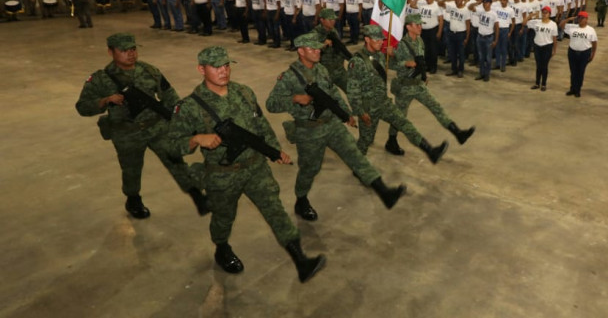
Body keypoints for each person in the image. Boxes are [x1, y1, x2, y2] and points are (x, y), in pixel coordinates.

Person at [166, 46, 326, 282]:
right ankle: (222, 248)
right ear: (201, 69)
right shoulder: (190, 106)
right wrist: (196, 139)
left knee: (275, 209)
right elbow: (171, 146)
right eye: (216, 67)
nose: (224, 71)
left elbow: (261, 126)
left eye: (227, 65)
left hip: (255, 167)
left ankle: (301, 260)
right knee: (223, 217)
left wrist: (274, 151)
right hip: (222, 174)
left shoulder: (244, 93)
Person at [266, 34, 406, 220]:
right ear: (300, 51)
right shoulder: (289, 77)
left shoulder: (322, 69)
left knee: (356, 156)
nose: (318, 51)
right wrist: (294, 98)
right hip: (309, 130)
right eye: (312, 49)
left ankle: (384, 191)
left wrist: (346, 113)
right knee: (310, 169)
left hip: (332, 124)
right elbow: (271, 104)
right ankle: (301, 200)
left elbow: (333, 93)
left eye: (318, 48)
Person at [75, 33, 207, 219]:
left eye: (133, 49)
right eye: (124, 50)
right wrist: (105, 100)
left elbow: (171, 97)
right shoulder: (100, 79)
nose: (130, 54)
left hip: (157, 127)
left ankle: (196, 195)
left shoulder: (150, 71)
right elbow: (82, 107)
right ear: (110, 52)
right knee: (131, 168)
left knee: (175, 160)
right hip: (126, 132)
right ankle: (133, 199)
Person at [346, 25, 449, 162]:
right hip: (368, 108)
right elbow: (353, 91)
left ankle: (430, 151)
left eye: (381, 40)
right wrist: (360, 112)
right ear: (367, 39)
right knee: (366, 141)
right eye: (376, 40)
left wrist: (405, 62)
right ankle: (357, 165)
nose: (380, 42)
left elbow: (394, 64)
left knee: (405, 124)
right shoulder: (357, 61)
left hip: (384, 103)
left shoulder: (380, 56)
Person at [385, 14, 475, 155]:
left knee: (436, 107)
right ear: (409, 27)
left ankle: (458, 133)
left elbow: (420, 61)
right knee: (400, 118)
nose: (420, 27)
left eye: (421, 24)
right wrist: (405, 63)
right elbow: (393, 65)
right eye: (417, 25)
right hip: (405, 87)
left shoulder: (420, 41)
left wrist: (424, 75)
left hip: (418, 84)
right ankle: (391, 141)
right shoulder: (402, 45)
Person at [311, 8, 350, 91]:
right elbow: (307, 52)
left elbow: (340, 48)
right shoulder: (315, 34)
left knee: (353, 92)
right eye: (330, 19)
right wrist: (321, 44)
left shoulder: (333, 31)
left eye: (334, 19)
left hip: (339, 70)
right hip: (325, 73)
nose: (333, 22)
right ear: (322, 20)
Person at [560, 11, 597, 97]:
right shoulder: (572, 27)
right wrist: (569, 19)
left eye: (582, 18)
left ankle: (578, 89)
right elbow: (561, 25)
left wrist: (593, 53)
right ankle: (572, 88)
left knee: (580, 72)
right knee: (573, 71)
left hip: (584, 52)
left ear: (586, 19)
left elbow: (594, 43)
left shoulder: (591, 30)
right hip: (572, 51)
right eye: (579, 18)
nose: (580, 20)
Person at [524, 6, 559, 91]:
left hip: (547, 46)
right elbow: (524, 23)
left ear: (550, 14)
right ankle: (537, 83)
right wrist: (530, 16)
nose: (544, 14)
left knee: (544, 65)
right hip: (537, 46)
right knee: (538, 65)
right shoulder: (536, 22)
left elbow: (554, 38)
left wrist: (554, 50)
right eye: (543, 12)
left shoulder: (553, 24)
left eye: (546, 13)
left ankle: (543, 84)